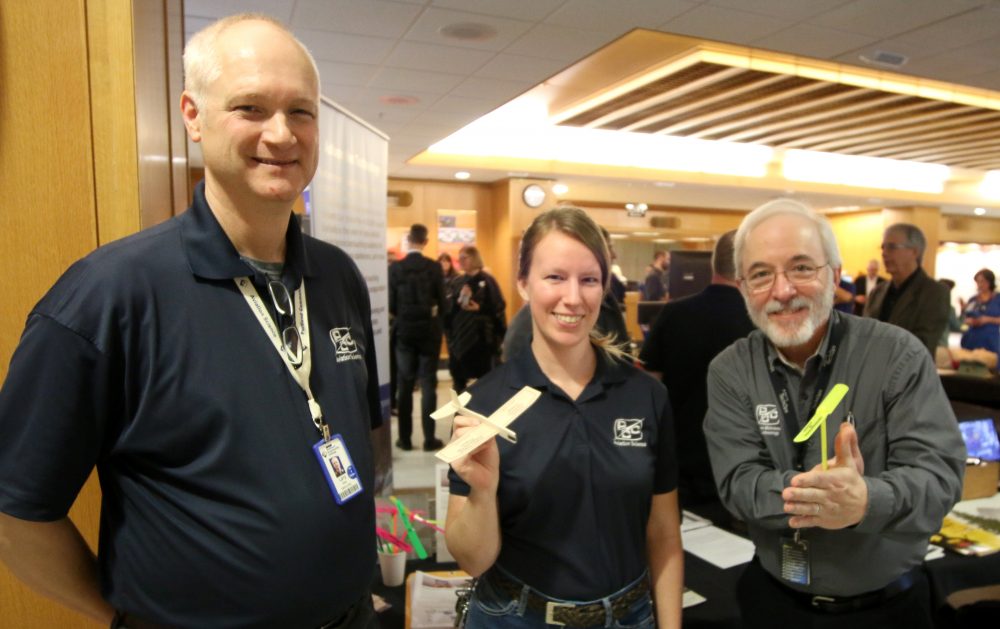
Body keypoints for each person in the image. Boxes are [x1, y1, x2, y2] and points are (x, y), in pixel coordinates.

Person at [0, 15, 382, 629]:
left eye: (302, 112)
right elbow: (16, 513)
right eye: (250, 108)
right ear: (193, 115)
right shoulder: (108, 295)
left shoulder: (336, 277)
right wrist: (123, 617)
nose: (281, 134)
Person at [704, 199, 965, 629]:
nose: (782, 290)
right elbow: (738, 483)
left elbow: (939, 477)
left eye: (802, 268)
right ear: (742, 287)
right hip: (774, 606)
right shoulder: (730, 370)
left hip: (887, 612)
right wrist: (826, 498)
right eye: (761, 274)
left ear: (835, 272)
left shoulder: (897, 355)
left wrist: (865, 501)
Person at [445, 206, 683, 628]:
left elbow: (663, 535)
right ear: (524, 283)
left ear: (604, 287)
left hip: (628, 616)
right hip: (515, 616)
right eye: (555, 277)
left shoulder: (646, 396)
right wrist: (483, 492)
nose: (573, 298)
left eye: (589, 280)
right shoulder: (485, 403)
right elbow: (472, 561)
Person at [639, 230, 754, 508]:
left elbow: (647, 386)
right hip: (743, 468)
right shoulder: (762, 322)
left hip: (678, 463)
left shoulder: (674, 313)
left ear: (713, 263)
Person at [389, 224, 446, 451]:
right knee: (429, 385)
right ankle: (429, 439)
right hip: (428, 332)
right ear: (425, 241)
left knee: (404, 385)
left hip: (404, 331)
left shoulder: (396, 268)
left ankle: (404, 439)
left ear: (409, 240)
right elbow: (443, 302)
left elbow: (391, 304)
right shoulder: (433, 268)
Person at [864, 223, 950, 355]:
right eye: (883, 247)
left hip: (910, 373)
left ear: (914, 252)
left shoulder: (934, 292)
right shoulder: (877, 292)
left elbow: (922, 344)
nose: (884, 253)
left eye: (892, 247)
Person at [446, 245, 506, 392]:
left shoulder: (488, 280)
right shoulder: (456, 281)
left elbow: (498, 307)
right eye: (458, 258)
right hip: (459, 339)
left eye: (464, 258)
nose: (460, 261)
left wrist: (479, 308)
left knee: (485, 383)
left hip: (482, 340)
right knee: (459, 382)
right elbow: (448, 311)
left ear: (474, 258)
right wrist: (457, 300)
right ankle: (459, 414)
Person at [960, 268, 1000, 354]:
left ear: (990, 282)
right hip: (972, 339)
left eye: (983, 281)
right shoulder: (973, 300)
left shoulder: (998, 299)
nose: (980, 285)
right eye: (978, 282)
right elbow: (965, 320)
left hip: (991, 341)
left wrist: (987, 319)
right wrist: (968, 318)